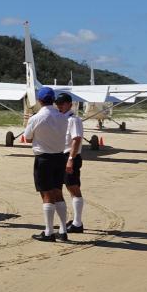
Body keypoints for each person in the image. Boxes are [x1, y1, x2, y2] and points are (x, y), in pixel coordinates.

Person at [22, 86, 70, 242]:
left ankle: (49, 232)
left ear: (39, 100)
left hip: (44, 158)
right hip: (60, 157)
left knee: (46, 195)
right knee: (58, 193)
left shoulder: (36, 118)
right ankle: (63, 230)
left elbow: (27, 138)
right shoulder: (63, 117)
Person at [55, 92, 85, 233]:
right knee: (68, 187)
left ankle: (78, 223)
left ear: (70, 104)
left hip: (70, 156)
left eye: (62, 103)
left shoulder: (73, 120)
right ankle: (75, 221)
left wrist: (70, 160)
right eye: (58, 103)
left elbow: (76, 139)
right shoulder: (61, 118)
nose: (59, 106)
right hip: (62, 156)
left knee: (73, 188)